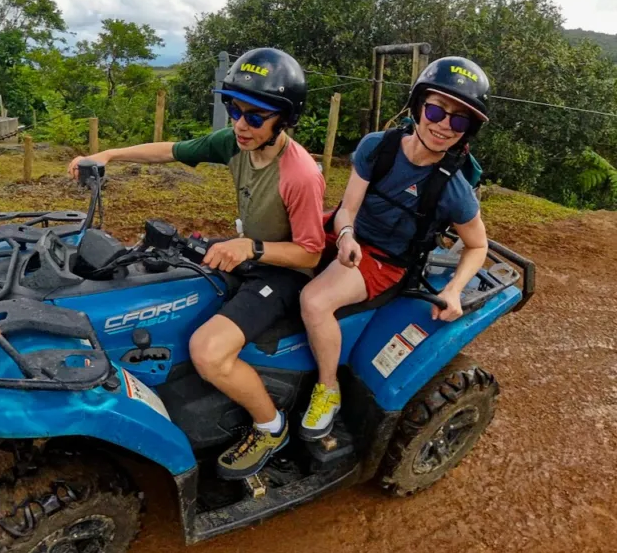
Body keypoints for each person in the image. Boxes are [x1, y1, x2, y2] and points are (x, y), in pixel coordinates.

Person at [68, 47, 325, 479]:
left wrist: (252, 248)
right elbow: (171, 150)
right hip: (247, 251)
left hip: (282, 272)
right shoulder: (236, 143)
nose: (240, 124)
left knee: (208, 351)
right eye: (234, 109)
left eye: (255, 117)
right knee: (160, 272)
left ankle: (270, 427)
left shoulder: (299, 176)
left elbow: (311, 252)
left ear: (283, 119)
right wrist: (109, 155)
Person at [298, 56, 492, 441]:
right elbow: (348, 207)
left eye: (458, 119)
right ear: (419, 106)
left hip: (386, 260)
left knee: (314, 301)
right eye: (436, 109)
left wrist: (453, 289)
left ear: (467, 130)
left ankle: (328, 389)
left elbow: (477, 244)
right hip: (347, 232)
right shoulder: (378, 147)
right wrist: (348, 234)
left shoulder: (453, 188)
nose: (442, 125)